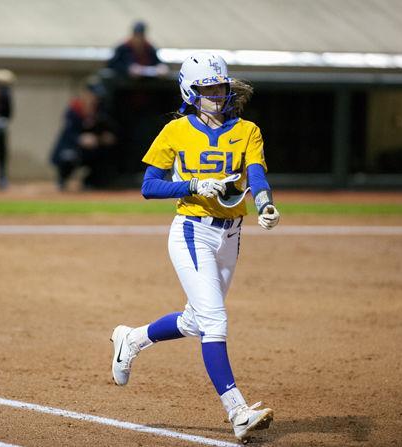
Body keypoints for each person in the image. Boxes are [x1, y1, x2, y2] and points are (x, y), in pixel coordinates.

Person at [110, 52, 281, 443]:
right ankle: (237, 411)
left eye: (220, 88)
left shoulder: (247, 130)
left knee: (195, 320)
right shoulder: (174, 132)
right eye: (208, 90)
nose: (217, 96)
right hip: (192, 231)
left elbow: (256, 173)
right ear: (190, 92)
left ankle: (131, 339)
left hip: (232, 235)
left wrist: (265, 204)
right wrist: (191, 185)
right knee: (215, 321)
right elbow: (149, 187)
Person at [50, 78, 118, 190]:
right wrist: (80, 138)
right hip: (72, 147)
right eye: (93, 95)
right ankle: (62, 179)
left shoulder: (101, 110)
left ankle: (90, 181)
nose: (95, 99)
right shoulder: (74, 109)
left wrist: (103, 137)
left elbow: (109, 130)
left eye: (97, 97)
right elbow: (68, 133)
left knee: (106, 155)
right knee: (68, 158)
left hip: (93, 148)